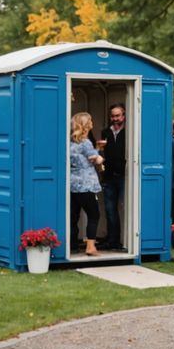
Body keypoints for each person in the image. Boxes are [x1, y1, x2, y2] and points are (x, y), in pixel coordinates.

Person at [68, 113, 104, 256]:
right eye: (90, 121)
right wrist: (100, 156)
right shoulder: (85, 142)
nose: (92, 124)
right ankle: (90, 247)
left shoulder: (70, 142)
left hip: (73, 184)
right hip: (86, 184)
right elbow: (95, 159)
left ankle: (71, 245)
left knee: (73, 216)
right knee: (94, 214)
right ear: (85, 125)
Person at [99, 103, 127, 251]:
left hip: (125, 176)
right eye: (113, 116)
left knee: (127, 208)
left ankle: (126, 240)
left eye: (118, 115)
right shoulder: (105, 132)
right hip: (109, 176)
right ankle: (113, 240)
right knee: (110, 210)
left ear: (124, 116)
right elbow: (102, 153)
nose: (115, 118)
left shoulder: (129, 132)